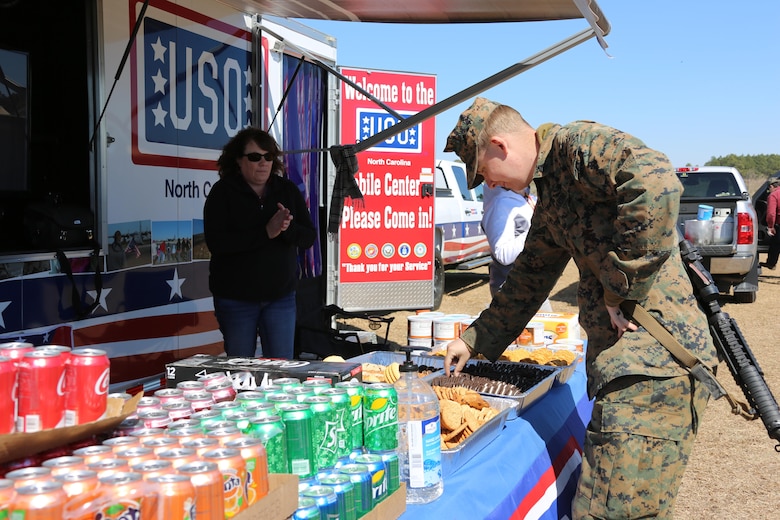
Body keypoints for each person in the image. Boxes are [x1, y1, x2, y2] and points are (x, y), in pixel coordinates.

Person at [442, 97, 717, 519]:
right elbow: (528, 279)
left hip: (651, 370)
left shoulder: (575, 145)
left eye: (487, 177)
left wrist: (620, 287)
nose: (492, 187)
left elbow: (657, 181)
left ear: (499, 146)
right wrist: (474, 340)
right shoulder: (552, 195)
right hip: (628, 370)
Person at [204, 127, 316, 359]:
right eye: (255, 157)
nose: (263, 163)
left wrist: (286, 228)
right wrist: (266, 232)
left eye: (268, 157)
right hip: (236, 299)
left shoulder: (286, 189)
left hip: (280, 298)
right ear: (238, 160)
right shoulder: (222, 193)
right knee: (240, 369)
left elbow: (308, 238)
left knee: (281, 369)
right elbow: (218, 244)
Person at [760, 178, 780, 270]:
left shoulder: (773, 195)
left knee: (775, 244)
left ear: (771, 186)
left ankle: (771, 263)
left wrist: (771, 226)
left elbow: (771, 214)